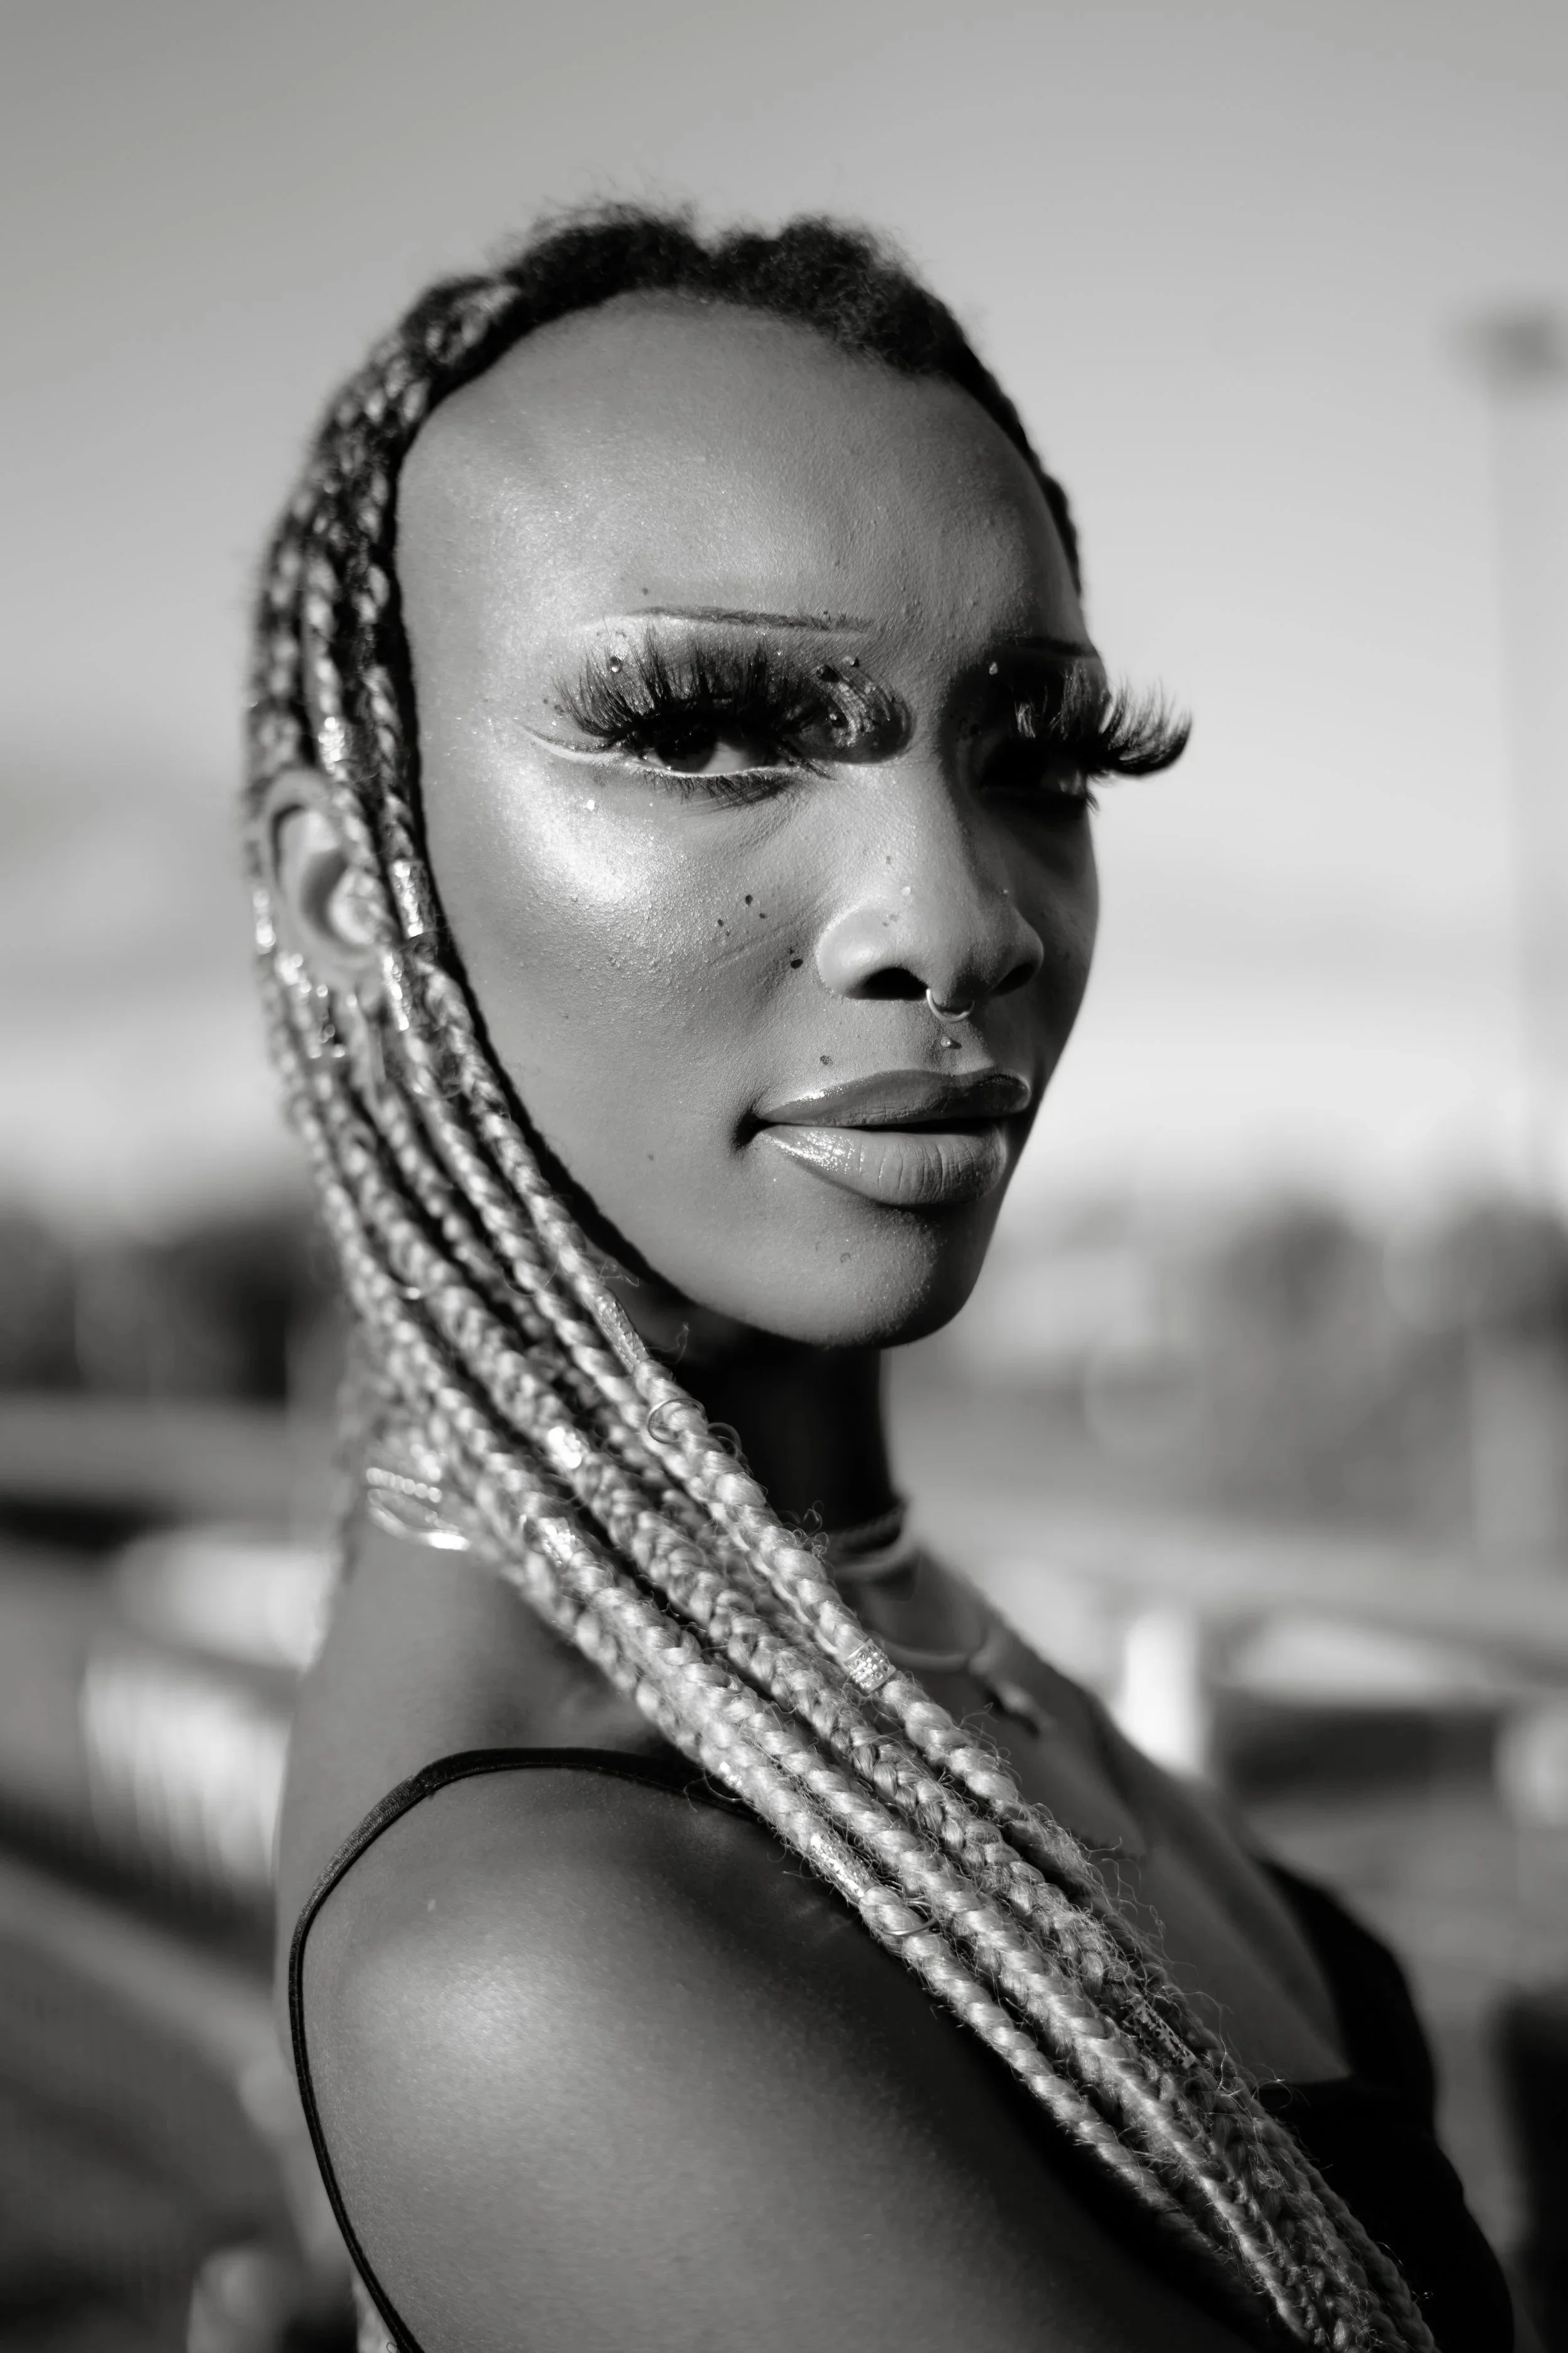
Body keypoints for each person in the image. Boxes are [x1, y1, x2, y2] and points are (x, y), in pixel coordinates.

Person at [248, 207, 1511, 2353]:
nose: (960, 914)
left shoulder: (858, 1620)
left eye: (1035, 755)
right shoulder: (531, 1950)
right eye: (713, 728)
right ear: (359, 890)